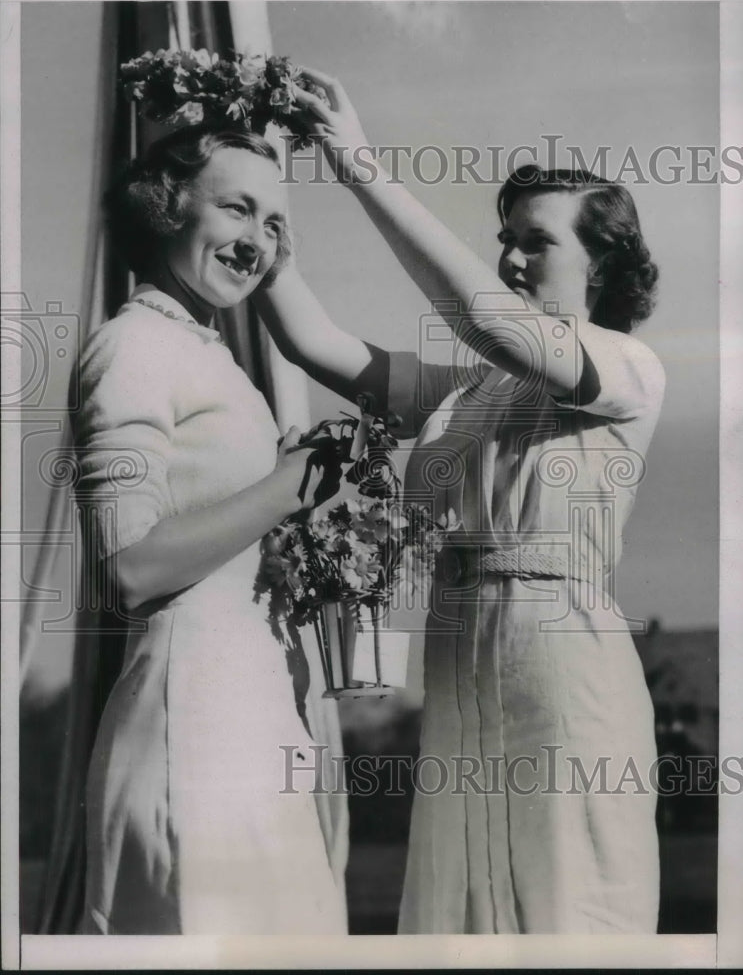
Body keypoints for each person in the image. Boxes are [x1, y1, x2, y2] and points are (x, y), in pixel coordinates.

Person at [252, 70, 666, 933]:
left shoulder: (626, 368)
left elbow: (486, 322)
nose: (511, 258)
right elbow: (314, 344)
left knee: (567, 905)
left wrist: (354, 159)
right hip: (458, 657)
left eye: (536, 243)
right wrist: (261, 227)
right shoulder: (471, 391)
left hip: (561, 668)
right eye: (504, 239)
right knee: (461, 919)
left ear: (603, 266)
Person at [70, 123, 348, 934]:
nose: (257, 241)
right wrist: (282, 488)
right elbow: (125, 569)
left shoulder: (205, 356)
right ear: (165, 207)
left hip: (251, 712)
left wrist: (285, 488)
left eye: (273, 224)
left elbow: (220, 519)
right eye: (237, 209)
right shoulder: (130, 347)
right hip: (191, 723)